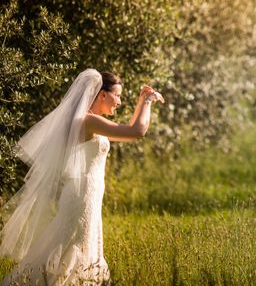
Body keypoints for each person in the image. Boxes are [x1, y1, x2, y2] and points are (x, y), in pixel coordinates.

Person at [0, 69, 163, 285]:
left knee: (79, 245)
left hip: (87, 195)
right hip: (82, 197)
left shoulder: (91, 121)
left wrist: (141, 101)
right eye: (118, 95)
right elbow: (137, 132)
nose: (120, 101)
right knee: (69, 245)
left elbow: (131, 133)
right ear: (102, 94)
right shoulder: (87, 121)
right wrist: (149, 101)